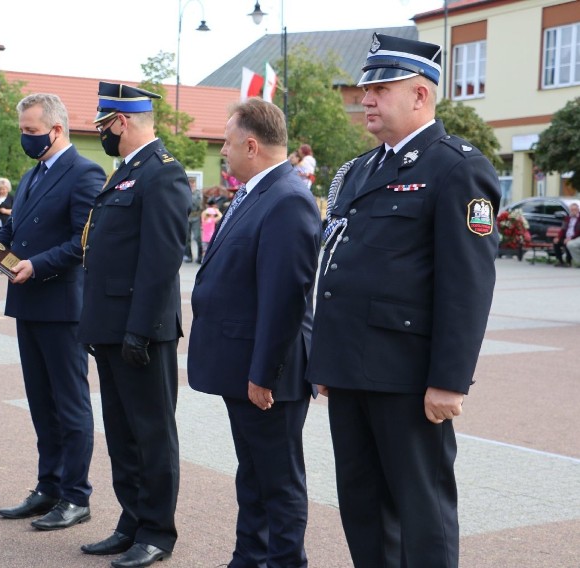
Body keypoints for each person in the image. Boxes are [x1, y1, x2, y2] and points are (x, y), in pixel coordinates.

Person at [306, 34, 501, 568]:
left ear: (420, 95)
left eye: (380, 89)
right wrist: (327, 359)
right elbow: (337, 267)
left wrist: (449, 379)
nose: (366, 99)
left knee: (423, 511)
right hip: (350, 371)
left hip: (408, 377)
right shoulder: (360, 170)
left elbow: (468, 285)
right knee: (363, 508)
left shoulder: (456, 168)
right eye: (366, 89)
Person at [0, 92, 104, 531]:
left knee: (70, 405)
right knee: (41, 403)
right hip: (29, 304)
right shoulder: (33, 175)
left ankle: (76, 496)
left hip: (61, 306)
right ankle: (48, 487)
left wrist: (37, 265)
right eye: (22, 131)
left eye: (32, 131)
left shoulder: (85, 173)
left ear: (56, 130)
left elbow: (83, 242)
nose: (25, 138)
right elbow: (14, 230)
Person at [187, 98, 320, 568]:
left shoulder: (287, 198)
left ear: (250, 144)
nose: (223, 151)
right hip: (245, 365)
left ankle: (285, 562)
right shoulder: (256, 192)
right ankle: (249, 557)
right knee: (254, 474)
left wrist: (264, 374)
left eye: (226, 142)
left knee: (279, 481)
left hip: (269, 374)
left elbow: (285, 298)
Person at [77, 82, 190, 568]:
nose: (101, 134)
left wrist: (139, 329)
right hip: (110, 326)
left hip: (142, 330)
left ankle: (157, 531)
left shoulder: (162, 174)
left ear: (121, 122)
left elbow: (162, 261)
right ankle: (131, 520)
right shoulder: (125, 174)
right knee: (122, 433)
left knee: (151, 433)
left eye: (104, 126)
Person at [183, 177, 203, 263]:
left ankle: (200, 257)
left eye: (193, 184)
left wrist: (190, 194)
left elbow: (197, 203)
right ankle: (188, 256)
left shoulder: (197, 193)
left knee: (197, 237)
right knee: (186, 238)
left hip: (195, 217)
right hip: (187, 217)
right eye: (190, 184)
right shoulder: (184, 192)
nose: (191, 185)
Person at [555, 202, 579, 266]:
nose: (573, 211)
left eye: (575, 210)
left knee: (568, 243)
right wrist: (558, 237)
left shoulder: (579, 219)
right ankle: (560, 261)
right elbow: (562, 229)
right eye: (571, 210)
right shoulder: (567, 218)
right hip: (566, 237)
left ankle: (568, 261)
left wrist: (570, 238)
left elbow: (578, 231)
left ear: (578, 210)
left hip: (575, 238)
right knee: (556, 242)